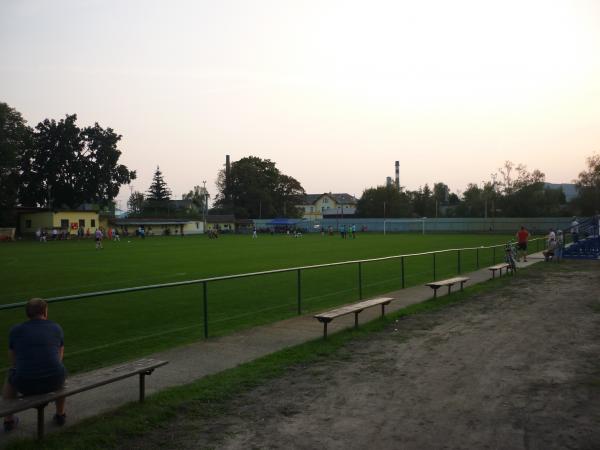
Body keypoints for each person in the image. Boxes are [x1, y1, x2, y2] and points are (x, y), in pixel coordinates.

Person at [3, 298, 67, 431]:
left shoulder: (15, 330)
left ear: (27, 313)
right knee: (59, 371)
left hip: (24, 383)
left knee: (10, 374)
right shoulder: (56, 327)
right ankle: (60, 414)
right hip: (54, 380)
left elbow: (13, 361)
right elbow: (60, 357)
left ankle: (8, 420)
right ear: (45, 312)